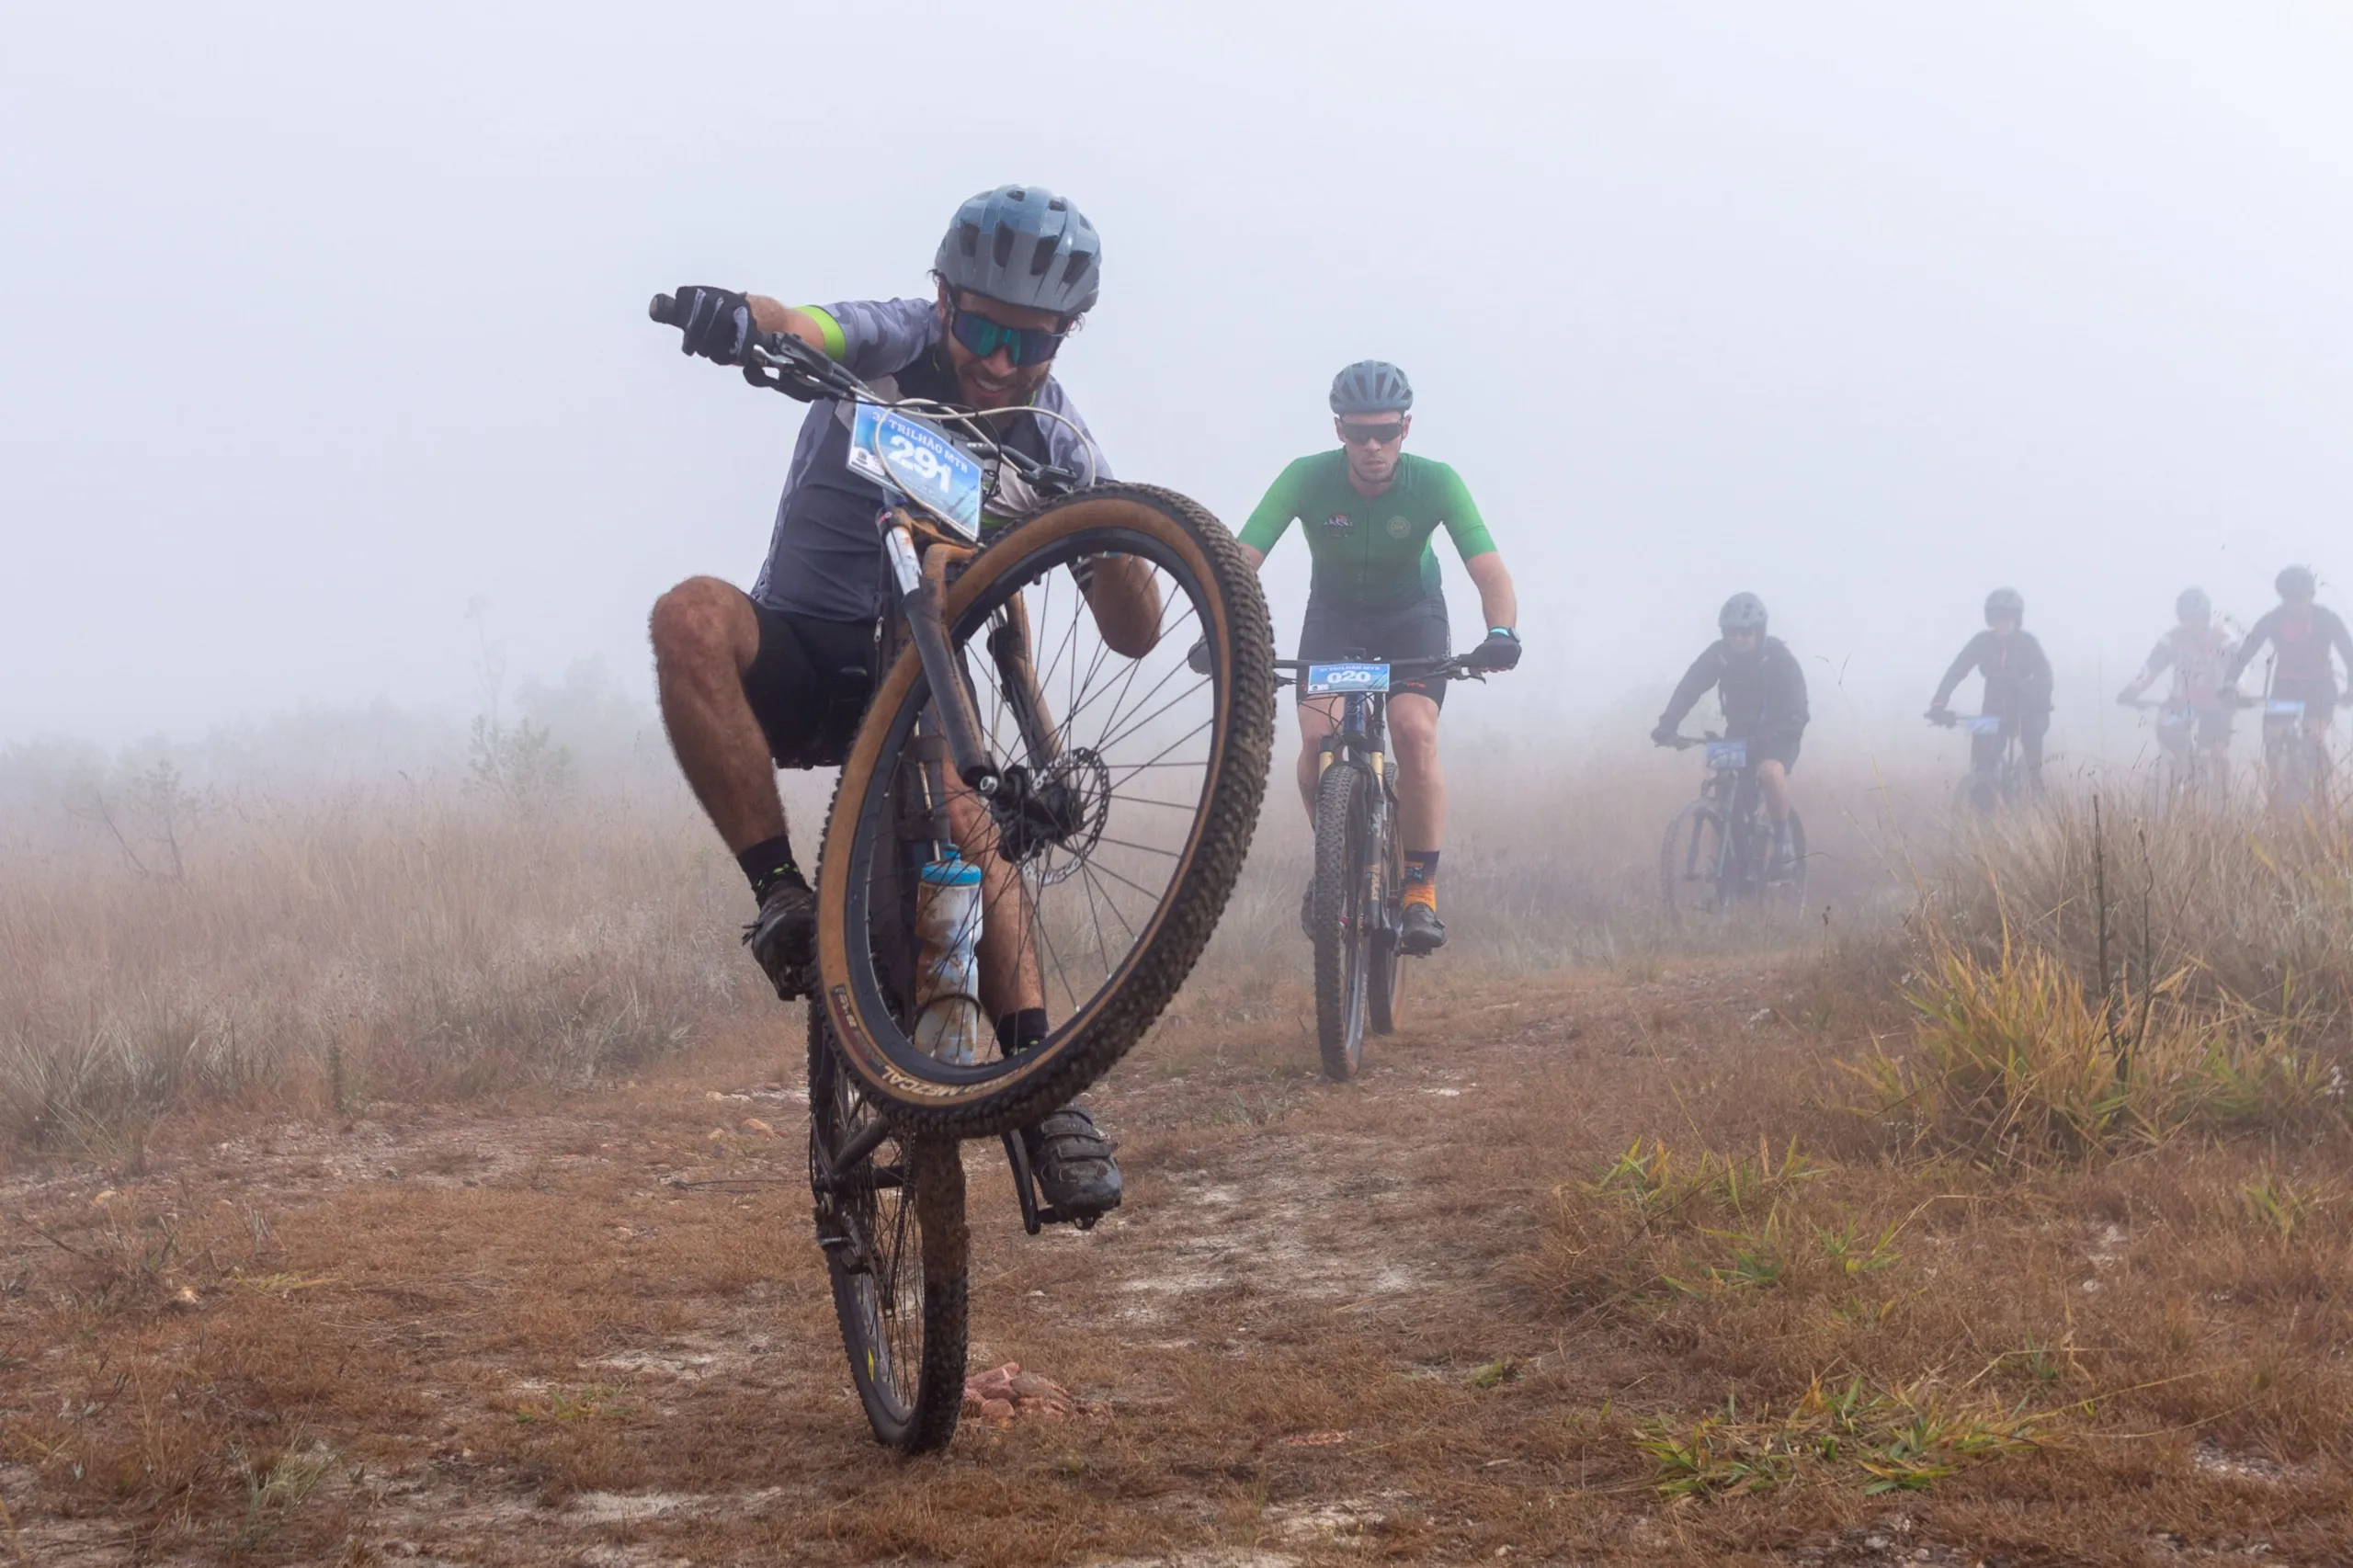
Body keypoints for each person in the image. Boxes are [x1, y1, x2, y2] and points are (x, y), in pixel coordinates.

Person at [645, 184, 1151, 1221]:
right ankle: (781, 895)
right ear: (943, 300)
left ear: (1064, 339)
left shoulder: (1054, 432)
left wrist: (1119, 536)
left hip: (919, 686)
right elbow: (803, 324)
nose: (998, 362)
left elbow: (1133, 631)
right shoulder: (892, 339)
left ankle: (1044, 1092)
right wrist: (742, 319)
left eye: (1029, 341)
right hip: (803, 648)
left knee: (967, 816)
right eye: (981, 329)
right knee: (688, 616)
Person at [1233, 360, 1521, 955]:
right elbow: (1241, 559)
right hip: (1335, 619)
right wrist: (1218, 620)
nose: (1372, 446)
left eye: (1385, 432)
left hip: (1412, 618)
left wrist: (1501, 631)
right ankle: (1334, 864)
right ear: (1339, 429)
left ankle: (1419, 891)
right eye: (1359, 433)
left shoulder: (1435, 482)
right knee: (1316, 743)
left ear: (1405, 429)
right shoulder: (1306, 478)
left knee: (1413, 731)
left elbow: (1489, 568)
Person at [1650, 593, 1809, 871]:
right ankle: (1725, 864)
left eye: (1745, 632)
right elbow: (1690, 686)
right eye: (1731, 632)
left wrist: (1788, 726)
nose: (1738, 638)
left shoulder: (1780, 659)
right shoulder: (1719, 655)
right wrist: (1668, 725)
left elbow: (1798, 707)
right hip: (1738, 735)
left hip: (1778, 735)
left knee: (1770, 772)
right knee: (1723, 790)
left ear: (1759, 631)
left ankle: (1783, 843)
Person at [1928, 587, 2054, 793]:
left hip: (2027, 710)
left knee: (2032, 753)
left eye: (2007, 616)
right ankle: (1981, 797)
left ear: (2016, 618)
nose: (2002, 622)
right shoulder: (1982, 642)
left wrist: (2037, 698)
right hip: (1992, 709)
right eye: (1997, 616)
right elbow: (1957, 670)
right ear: (1990, 618)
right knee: (1982, 762)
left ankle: (2037, 797)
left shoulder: (2027, 643)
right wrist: (1938, 704)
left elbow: (2045, 675)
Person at [2224, 565, 2352, 742]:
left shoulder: (2327, 619)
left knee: (2313, 737)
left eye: (2300, 598)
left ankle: (2316, 758)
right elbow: (2246, 652)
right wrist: (2230, 682)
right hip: (2285, 688)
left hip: (2321, 689)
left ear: (2311, 596)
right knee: (2272, 735)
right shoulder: (2272, 620)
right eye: (2289, 598)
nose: (2295, 604)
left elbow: (2349, 654)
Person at [2117, 587, 2236, 768]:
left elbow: (2238, 669)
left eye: (2198, 617)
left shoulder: (2222, 638)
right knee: (2170, 740)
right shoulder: (2172, 639)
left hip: (2215, 704)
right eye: (2187, 617)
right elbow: (2150, 668)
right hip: (2181, 704)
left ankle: (2221, 780)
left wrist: (2239, 691)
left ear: (2206, 617)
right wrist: (2132, 690)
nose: (2193, 623)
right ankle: (2176, 774)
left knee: (2215, 749)